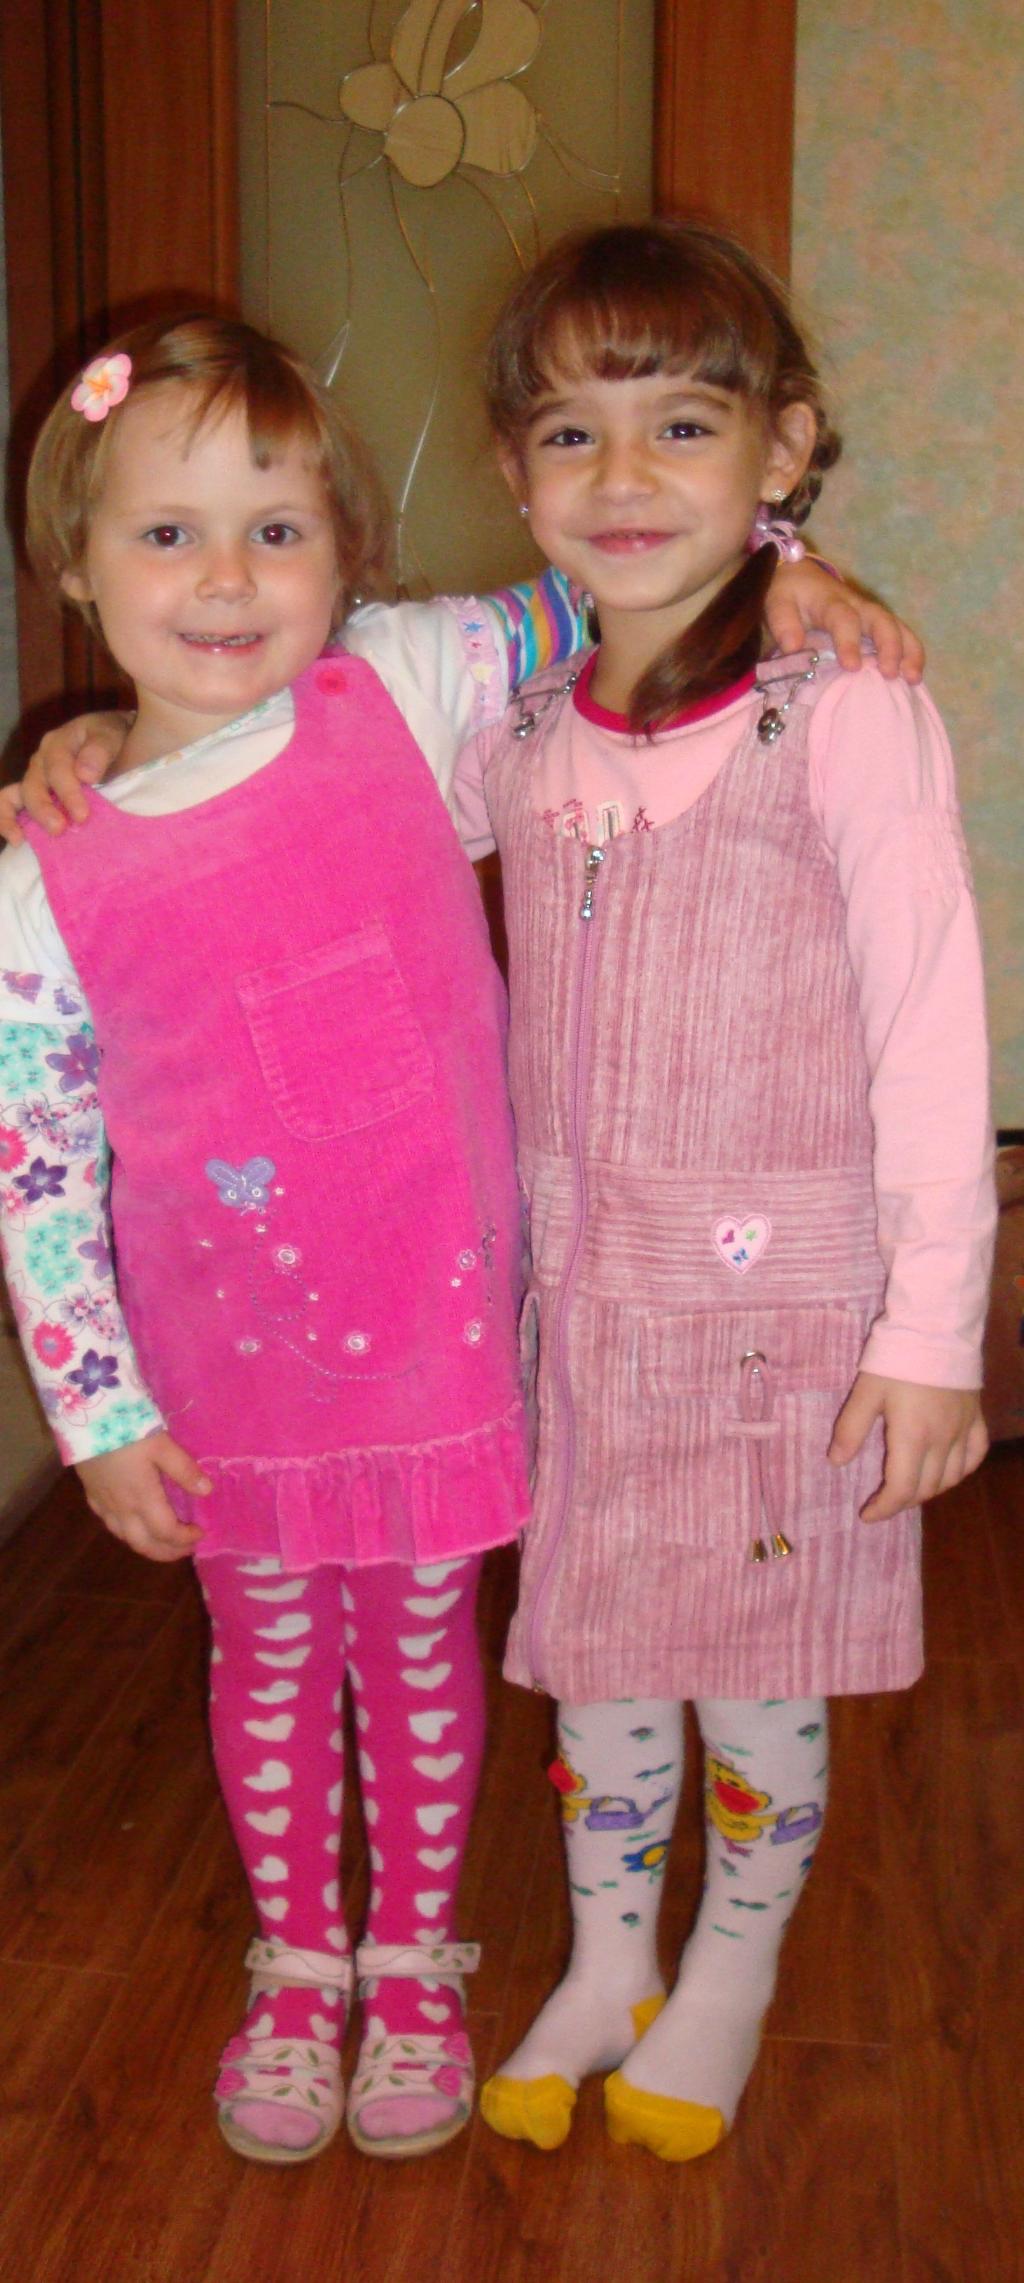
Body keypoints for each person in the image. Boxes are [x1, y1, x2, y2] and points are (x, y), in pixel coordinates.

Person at [0, 309, 921, 2170]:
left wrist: (789, 567)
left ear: (347, 550)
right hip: (221, 1376)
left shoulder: (402, 685)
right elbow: (38, 1162)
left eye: (276, 530)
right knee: (268, 1660)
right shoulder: (47, 865)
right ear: (75, 568)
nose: (226, 579)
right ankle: (301, 1965)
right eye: (165, 534)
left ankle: (415, 1960)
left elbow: (617, 569)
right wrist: (97, 1418)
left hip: (439, 1346)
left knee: (421, 1647)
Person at [440, 220, 994, 2165]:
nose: (622, 476)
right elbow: (314, 787)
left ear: (785, 450)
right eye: (568, 433)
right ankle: (611, 1957)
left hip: (786, 1321)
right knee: (601, 1650)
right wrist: (131, 739)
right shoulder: (514, 730)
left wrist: (932, 1331)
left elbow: (931, 1024)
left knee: (756, 1673)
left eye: (681, 423)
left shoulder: (842, 707)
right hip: (589, 1310)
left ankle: (733, 1966)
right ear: (514, 474)